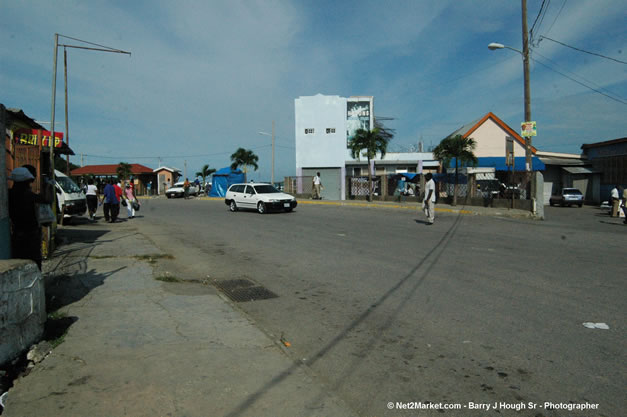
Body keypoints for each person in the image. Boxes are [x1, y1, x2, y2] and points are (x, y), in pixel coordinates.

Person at [8, 167, 51, 270]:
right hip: (32, 236)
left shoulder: (8, 195)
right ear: (28, 180)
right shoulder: (32, 197)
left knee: (17, 264)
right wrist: (47, 186)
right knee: (34, 264)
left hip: (16, 235)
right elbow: (47, 203)